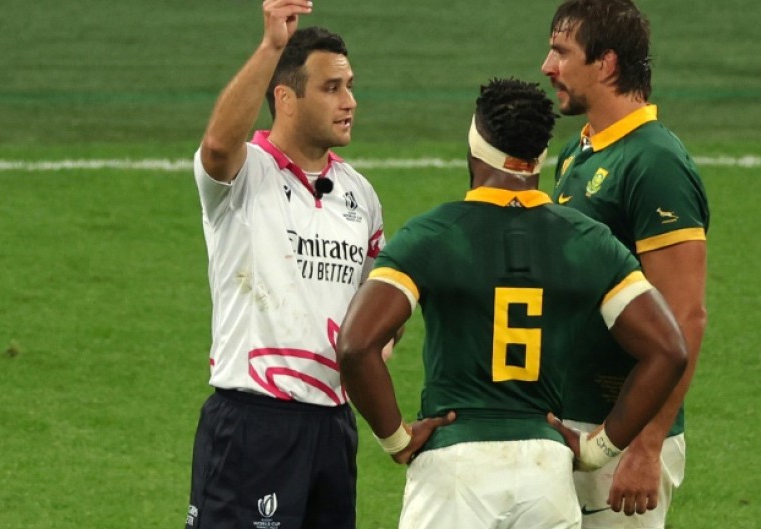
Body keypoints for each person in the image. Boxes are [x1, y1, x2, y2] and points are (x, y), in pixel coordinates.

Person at [336, 78, 688, 529]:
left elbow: (355, 345)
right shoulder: (587, 241)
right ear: (541, 154)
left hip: (454, 475)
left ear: (474, 142)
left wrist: (396, 439)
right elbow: (668, 349)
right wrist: (599, 448)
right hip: (546, 478)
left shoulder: (433, 235)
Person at [184, 2, 388, 528]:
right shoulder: (243, 176)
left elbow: (377, 303)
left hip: (333, 427)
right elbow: (216, 144)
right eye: (331, 88)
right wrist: (272, 45)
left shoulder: (360, 196)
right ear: (285, 99)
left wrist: (380, 341)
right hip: (254, 423)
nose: (350, 102)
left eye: (350, 85)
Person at [540, 0, 710, 527]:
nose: (547, 66)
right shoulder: (579, 153)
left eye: (562, 52)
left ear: (607, 64)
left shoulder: (655, 163)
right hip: (568, 418)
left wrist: (647, 443)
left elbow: (684, 317)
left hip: (622, 429)